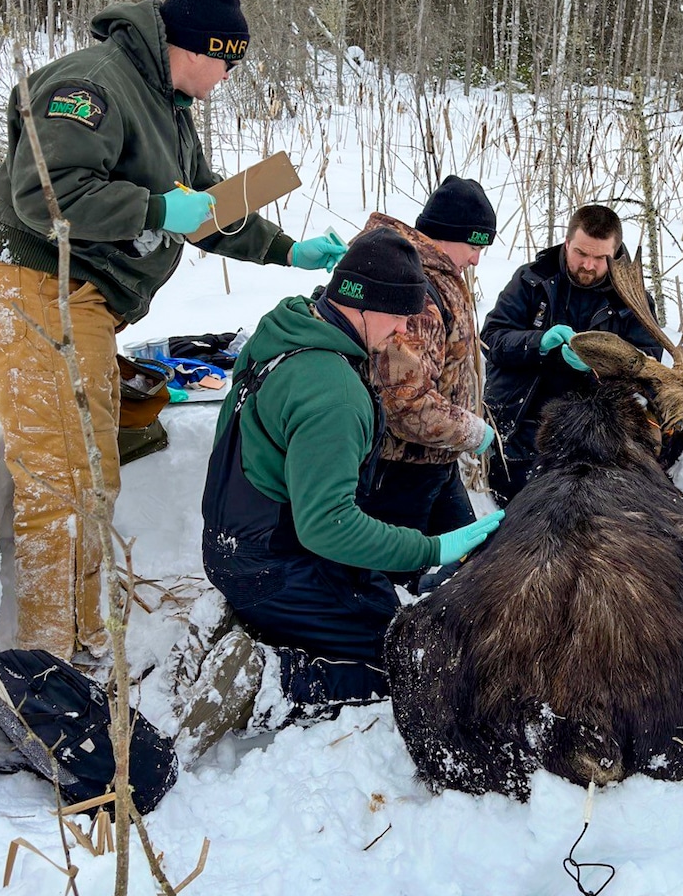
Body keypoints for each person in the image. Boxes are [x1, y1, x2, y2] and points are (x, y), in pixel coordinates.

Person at [0, 0, 346, 664]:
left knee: (92, 474)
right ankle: (42, 665)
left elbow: (206, 202)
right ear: (198, 47)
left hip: (86, 303)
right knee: (62, 480)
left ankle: (83, 644)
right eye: (228, 62)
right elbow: (45, 196)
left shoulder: (168, 102)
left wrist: (289, 249)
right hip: (36, 289)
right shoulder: (91, 84)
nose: (229, 76)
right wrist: (152, 209)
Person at [180, 228, 504, 758]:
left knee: (380, 604)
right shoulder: (332, 391)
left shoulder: (287, 329)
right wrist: (432, 547)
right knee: (403, 663)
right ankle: (270, 679)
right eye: (399, 315)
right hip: (274, 564)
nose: (404, 330)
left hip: (239, 544)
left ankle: (253, 624)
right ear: (364, 306)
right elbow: (328, 526)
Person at [355, 176, 498, 590]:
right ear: (449, 238)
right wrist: (471, 431)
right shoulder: (415, 290)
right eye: (474, 247)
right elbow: (405, 405)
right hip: (399, 472)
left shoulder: (436, 272)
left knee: (476, 565)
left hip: (435, 460)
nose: (476, 260)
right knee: (394, 582)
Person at [480, 204, 664, 505]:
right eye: (580, 253)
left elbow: (648, 366)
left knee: (604, 505)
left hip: (598, 425)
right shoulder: (531, 280)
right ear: (566, 243)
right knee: (524, 504)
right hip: (526, 416)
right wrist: (540, 343)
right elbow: (492, 339)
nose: (588, 265)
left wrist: (601, 362)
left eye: (599, 258)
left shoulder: (635, 301)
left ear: (614, 255)